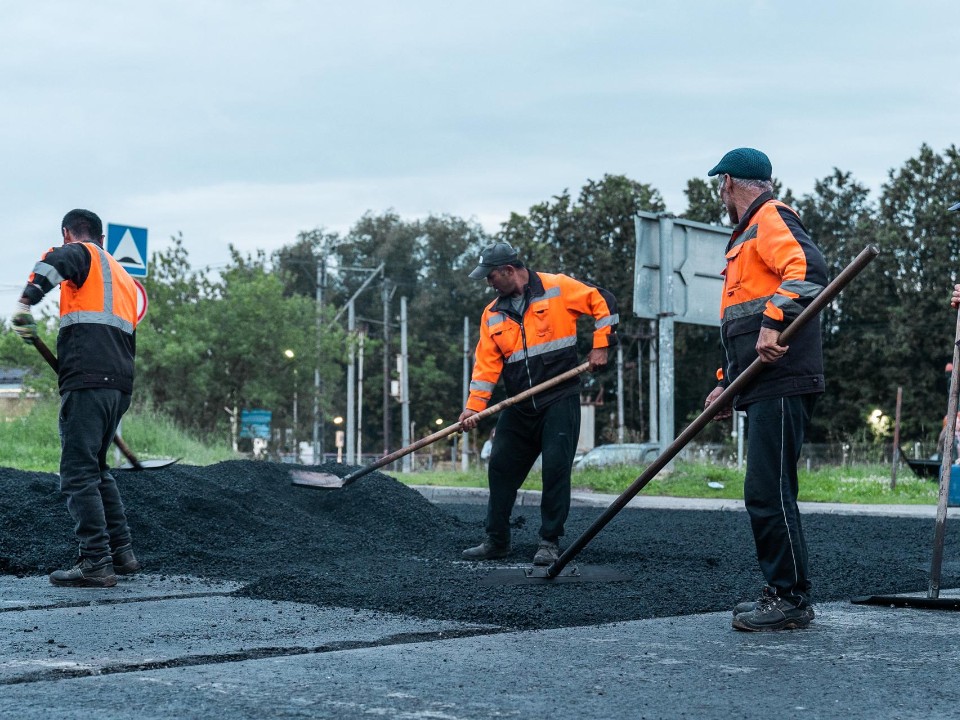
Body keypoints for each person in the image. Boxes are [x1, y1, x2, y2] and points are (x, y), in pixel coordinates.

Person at [702, 148, 828, 632]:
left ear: (729, 182)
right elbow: (741, 325)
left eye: (720, 186)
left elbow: (809, 271)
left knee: (767, 491)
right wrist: (725, 385)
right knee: (765, 490)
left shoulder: (770, 217)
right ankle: (782, 591)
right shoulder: (745, 235)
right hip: (759, 380)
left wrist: (775, 321)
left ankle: (790, 598)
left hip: (781, 377)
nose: (721, 194)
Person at [458, 241, 618, 566]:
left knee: (555, 468)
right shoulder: (492, 315)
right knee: (500, 467)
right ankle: (496, 540)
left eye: (490, 276)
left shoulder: (557, 287)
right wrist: (474, 407)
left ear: (508, 270)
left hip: (559, 398)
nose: (488, 283)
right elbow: (485, 366)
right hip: (519, 406)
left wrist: (601, 345)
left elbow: (604, 301)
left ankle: (549, 542)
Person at [12, 209, 141, 588]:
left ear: (67, 233)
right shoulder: (123, 277)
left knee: (77, 472)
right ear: (104, 238)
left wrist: (24, 304)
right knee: (97, 469)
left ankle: (95, 562)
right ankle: (122, 553)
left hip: (88, 380)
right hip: (118, 385)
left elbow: (55, 261)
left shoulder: (81, 252)